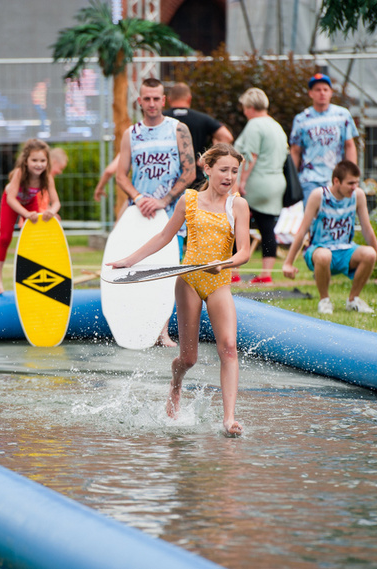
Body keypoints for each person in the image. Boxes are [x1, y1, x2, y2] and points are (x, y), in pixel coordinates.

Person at [108, 143, 250, 436]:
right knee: (189, 358)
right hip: (188, 282)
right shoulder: (189, 201)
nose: (229, 176)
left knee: (229, 348)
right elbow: (163, 237)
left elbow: (245, 252)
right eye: (223, 170)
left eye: (234, 171)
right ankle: (176, 383)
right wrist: (129, 260)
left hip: (218, 280)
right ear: (207, 168)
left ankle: (229, 418)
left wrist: (224, 265)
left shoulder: (238, 205)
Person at [115, 78, 196, 347]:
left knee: (167, 272)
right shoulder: (131, 134)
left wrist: (164, 199)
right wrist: (138, 198)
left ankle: (162, 332)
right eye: (146, 99)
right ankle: (135, 327)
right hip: (139, 216)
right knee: (136, 267)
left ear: (164, 100)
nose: (151, 103)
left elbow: (190, 171)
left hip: (171, 214)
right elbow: (121, 176)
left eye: (156, 98)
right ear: (140, 101)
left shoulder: (178, 129)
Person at [282, 160, 377, 314]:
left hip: (346, 249)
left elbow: (367, 229)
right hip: (319, 250)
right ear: (336, 181)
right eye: (350, 183)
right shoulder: (319, 195)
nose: (354, 187)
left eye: (357, 183)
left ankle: (353, 300)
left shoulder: (358, 195)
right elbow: (302, 231)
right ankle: (324, 300)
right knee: (324, 255)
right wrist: (288, 263)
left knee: (369, 254)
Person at [0, 138, 61, 295]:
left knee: (34, 238)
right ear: (26, 161)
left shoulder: (47, 177)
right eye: (34, 160)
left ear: (47, 161)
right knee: (5, 238)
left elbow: (57, 202)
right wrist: (26, 214)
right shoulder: (20, 173)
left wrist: (52, 211)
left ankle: (34, 277)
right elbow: (10, 198)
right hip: (11, 202)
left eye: (42, 160)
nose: (39, 164)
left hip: (29, 202)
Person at [234, 87, 288, 285]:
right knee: (267, 229)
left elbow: (251, 156)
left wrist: (241, 182)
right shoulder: (276, 126)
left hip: (256, 183)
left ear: (249, 106)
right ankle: (266, 274)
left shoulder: (254, 125)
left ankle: (234, 273)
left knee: (238, 226)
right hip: (276, 182)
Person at [289, 74, 359, 205]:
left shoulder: (342, 115)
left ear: (331, 93)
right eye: (317, 89)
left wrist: (352, 175)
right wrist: (292, 180)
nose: (322, 93)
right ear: (310, 93)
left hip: (337, 177)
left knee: (337, 215)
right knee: (312, 217)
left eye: (325, 89)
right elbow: (295, 150)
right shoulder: (301, 119)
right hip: (309, 178)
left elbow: (349, 145)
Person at [164, 82, 234, 187]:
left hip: (166, 179)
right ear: (189, 99)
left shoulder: (161, 119)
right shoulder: (202, 119)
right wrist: (207, 157)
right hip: (195, 181)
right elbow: (226, 137)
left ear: (169, 100)